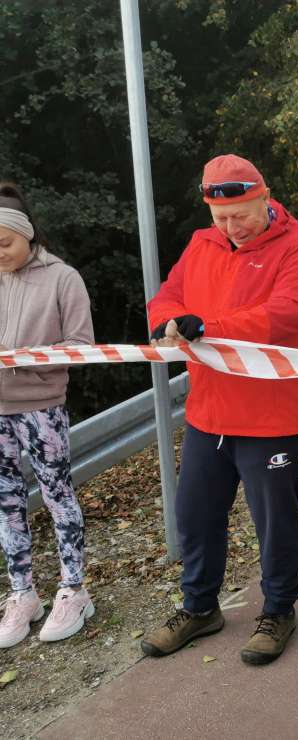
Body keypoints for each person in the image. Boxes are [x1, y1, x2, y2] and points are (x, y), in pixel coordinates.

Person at [141, 154, 298, 665]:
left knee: (274, 519)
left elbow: (287, 315)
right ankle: (200, 607)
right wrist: (167, 320)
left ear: (266, 199)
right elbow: (168, 296)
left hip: (273, 415)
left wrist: (210, 326)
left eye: (241, 215)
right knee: (195, 514)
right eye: (220, 217)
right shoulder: (203, 243)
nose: (230, 227)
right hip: (209, 409)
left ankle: (278, 610)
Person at [0, 182, 95, 648]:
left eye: (4, 243)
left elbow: (82, 347)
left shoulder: (63, 278)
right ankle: (22, 594)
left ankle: (74, 589)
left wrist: (26, 356)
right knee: (5, 503)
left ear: (28, 235)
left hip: (42, 408)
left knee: (58, 495)